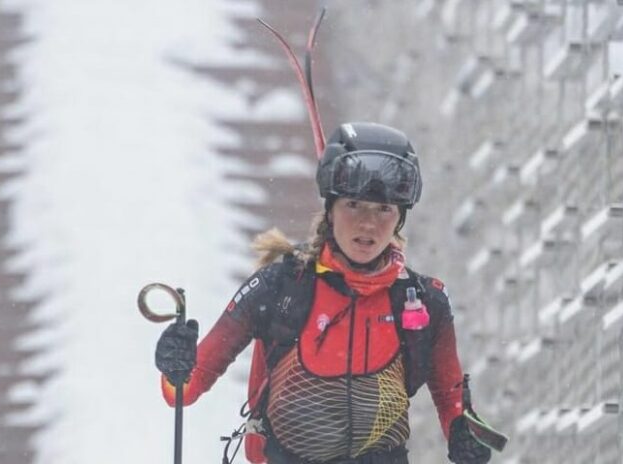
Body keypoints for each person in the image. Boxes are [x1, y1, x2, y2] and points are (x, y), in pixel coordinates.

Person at [154, 122, 492, 464]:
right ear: (330, 210)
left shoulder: (425, 302)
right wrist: (175, 366)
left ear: (400, 218)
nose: (368, 224)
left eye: (384, 209)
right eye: (354, 205)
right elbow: (183, 391)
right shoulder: (279, 287)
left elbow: (453, 405)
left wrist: (467, 435)